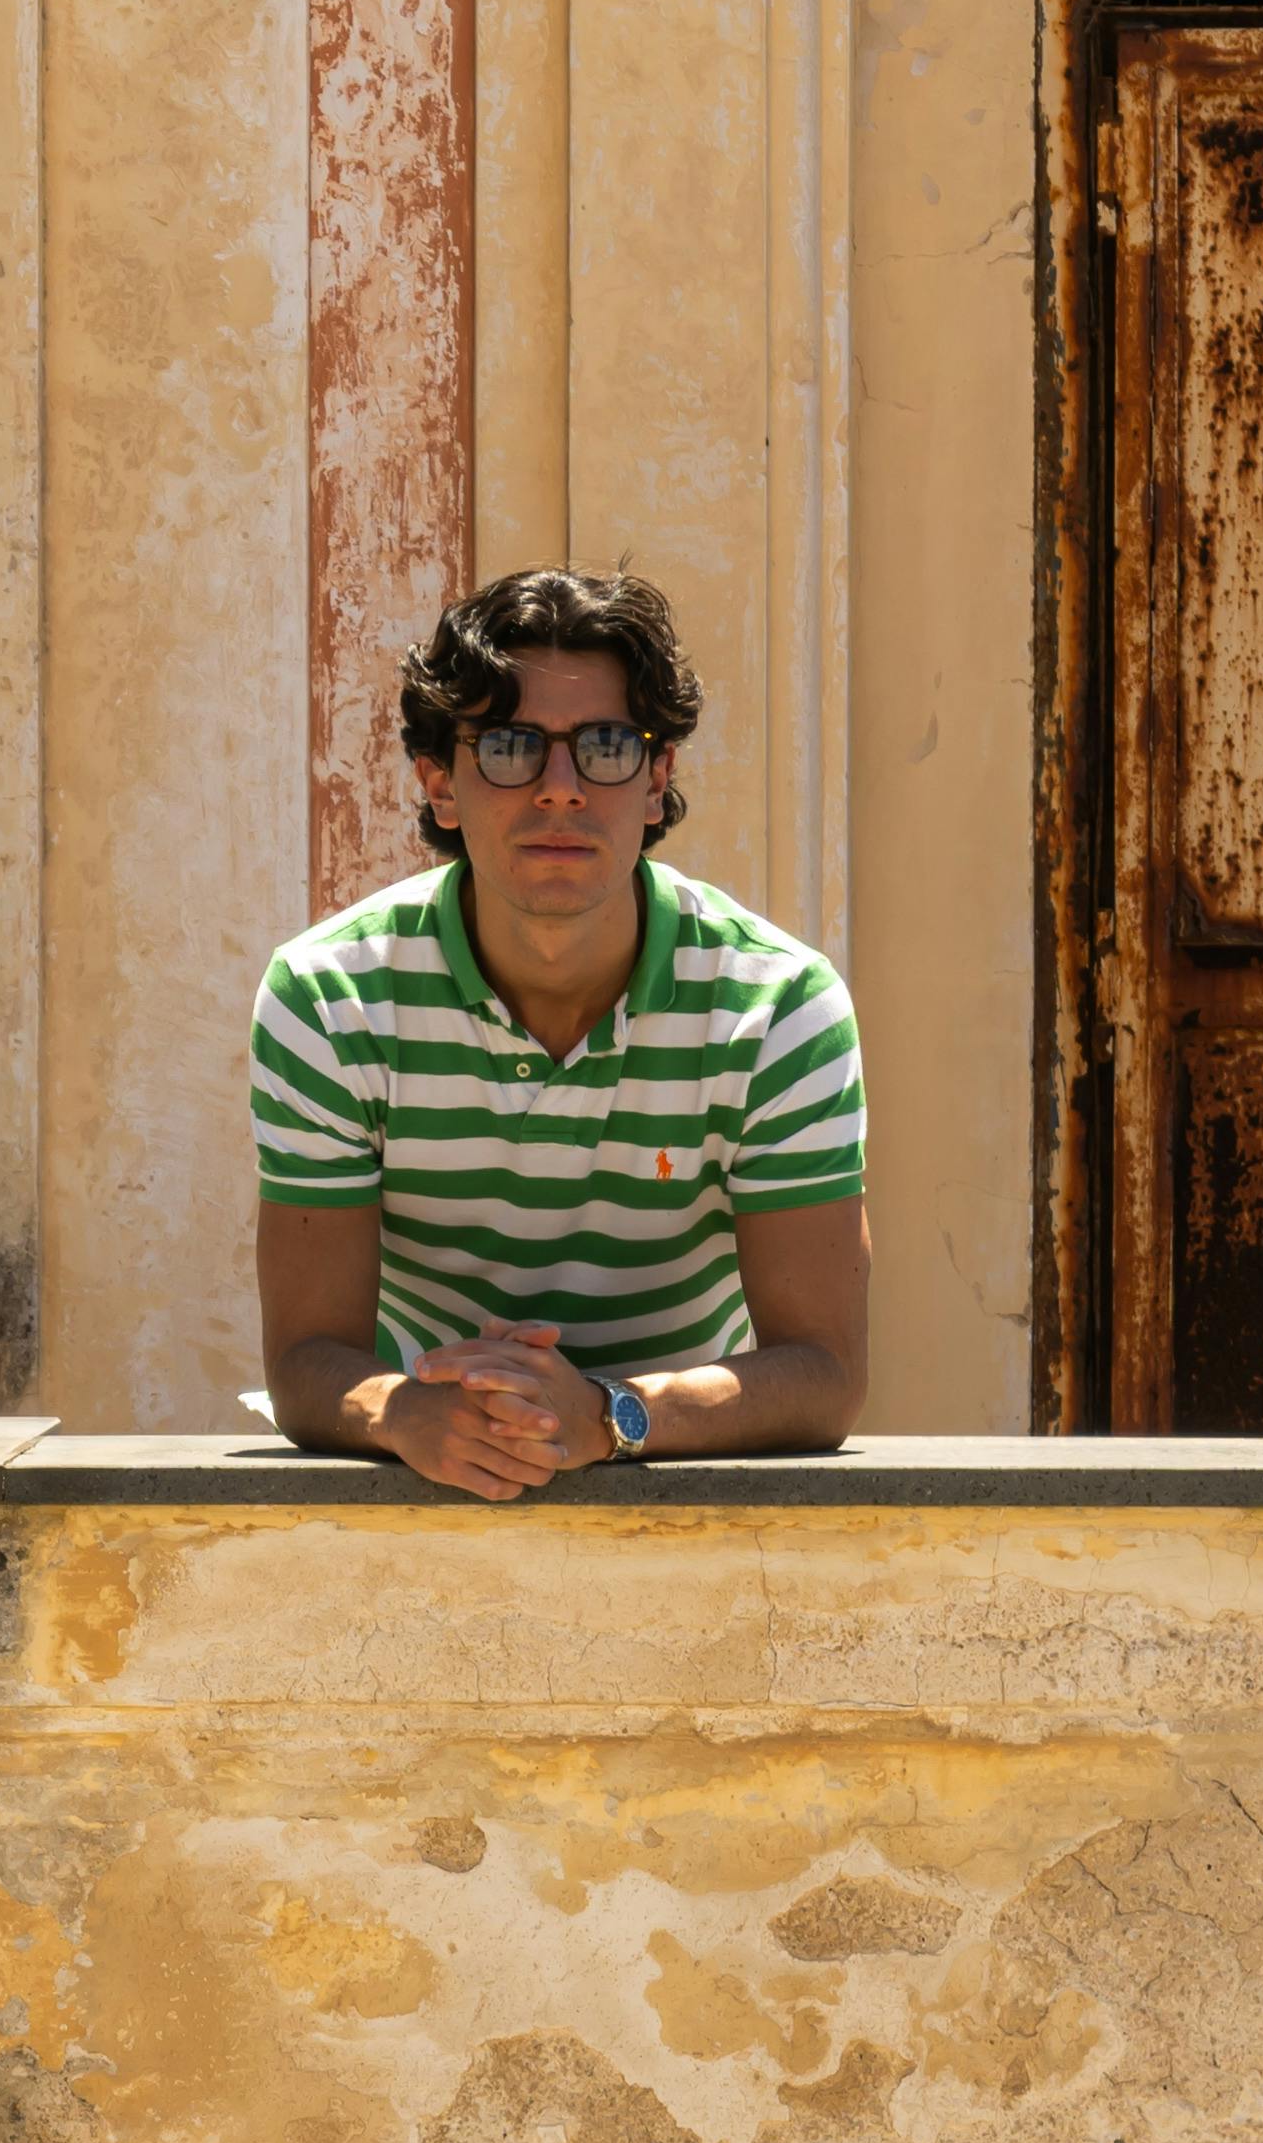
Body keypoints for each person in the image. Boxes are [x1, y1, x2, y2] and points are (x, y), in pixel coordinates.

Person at [251, 565, 870, 1496]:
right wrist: (408, 1412)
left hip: (696, 1485)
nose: (560, 788)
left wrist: (607, 1413)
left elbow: (824, 1374)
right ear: (440, 785)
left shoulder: (777, 1008)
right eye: (508, 746)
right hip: (424, 1485)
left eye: (607, 745)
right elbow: (305, 1357)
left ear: (657, 781)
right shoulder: (330, 999)